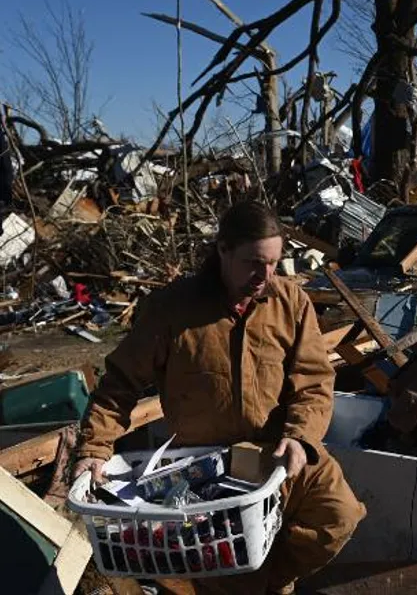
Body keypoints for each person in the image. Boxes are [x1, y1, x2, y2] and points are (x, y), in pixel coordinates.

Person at [73, 200, 366, 595]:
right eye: (253, 263)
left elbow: (314, 379)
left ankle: (270, 582)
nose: (265, 276)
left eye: (274, 263)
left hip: (280, 453)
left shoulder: (290, 302)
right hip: (211, 474)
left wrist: (300, 436)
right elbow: (119, 384)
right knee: (230, 575)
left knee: (339, 516)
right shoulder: (171, 310)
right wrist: (95, 446)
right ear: (223, 251)